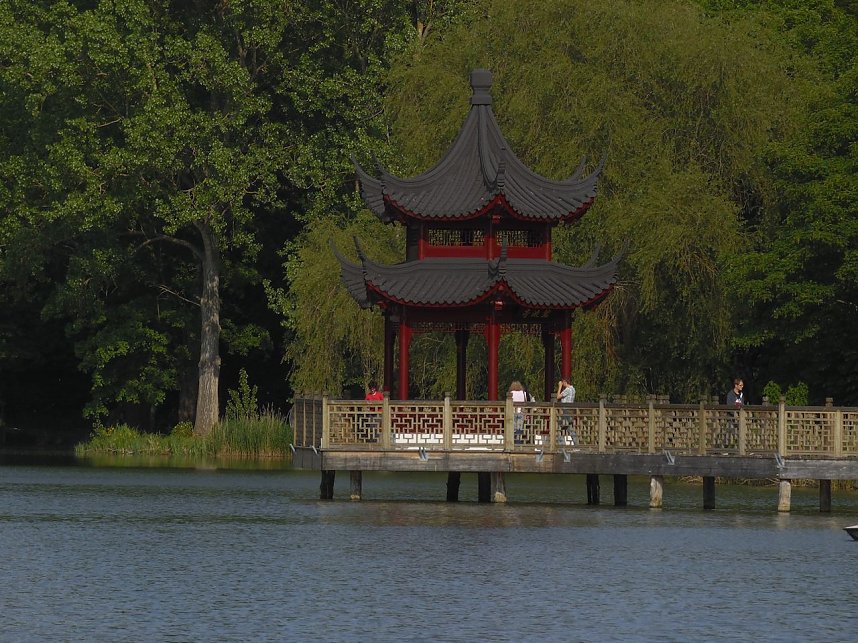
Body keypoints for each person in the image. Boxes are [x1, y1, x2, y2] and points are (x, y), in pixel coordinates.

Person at [556, 378, 577, 445]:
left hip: (566, 410)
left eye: (562, 382)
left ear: (565, 382)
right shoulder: (573, 389)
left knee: (558, 427)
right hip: (570, 410)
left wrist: (559, 387)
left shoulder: (567, 389)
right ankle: (576, 443)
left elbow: (558, 397)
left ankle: (561, 444)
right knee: (569, 428)